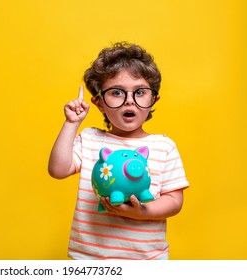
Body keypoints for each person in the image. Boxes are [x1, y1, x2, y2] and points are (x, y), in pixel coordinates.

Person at [48, 42, 189, 260]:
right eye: (116, 93)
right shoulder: (90, 139)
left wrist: (141, 212)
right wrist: (71, 123)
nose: (129, 101)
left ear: (153, 99)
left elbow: (174, 201)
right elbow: (57, 170)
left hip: (147, 260)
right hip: (89, 259)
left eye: (140, 92)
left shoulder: (164, 147)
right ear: (99, 103)